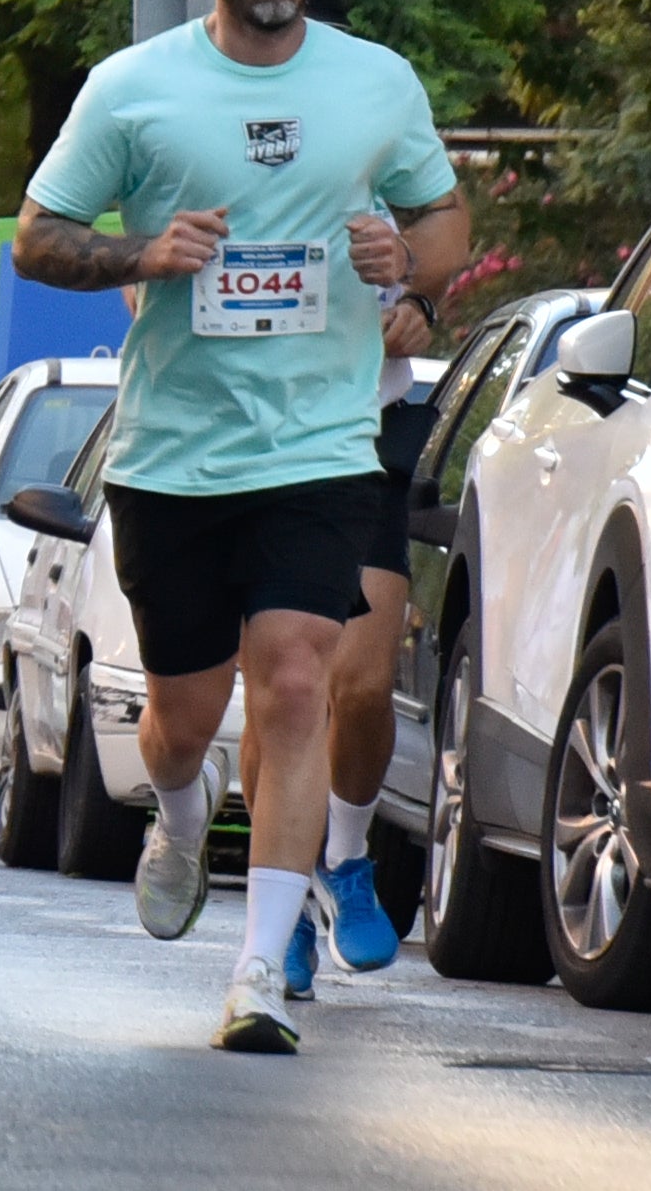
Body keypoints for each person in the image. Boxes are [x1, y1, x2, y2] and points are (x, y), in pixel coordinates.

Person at [12, 0, 466, 1055]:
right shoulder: (131, 88)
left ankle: (259, 969)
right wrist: (143, 255)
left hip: (321, 443)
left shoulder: (377, 84)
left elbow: (445, 214)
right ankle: (175, 813)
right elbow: (39, 239)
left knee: (300, 680)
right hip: (176, 455)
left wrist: (409, 267)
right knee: (180, 715)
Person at [261, 246, 447, 997]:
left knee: (362, 684)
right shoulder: (217, 138)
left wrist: (422, 303)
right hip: (257, 435)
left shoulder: (379, 135)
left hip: (364, 433)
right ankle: (288, 910)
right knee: (284, 686)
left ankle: (341, 859)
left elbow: (444, 233)